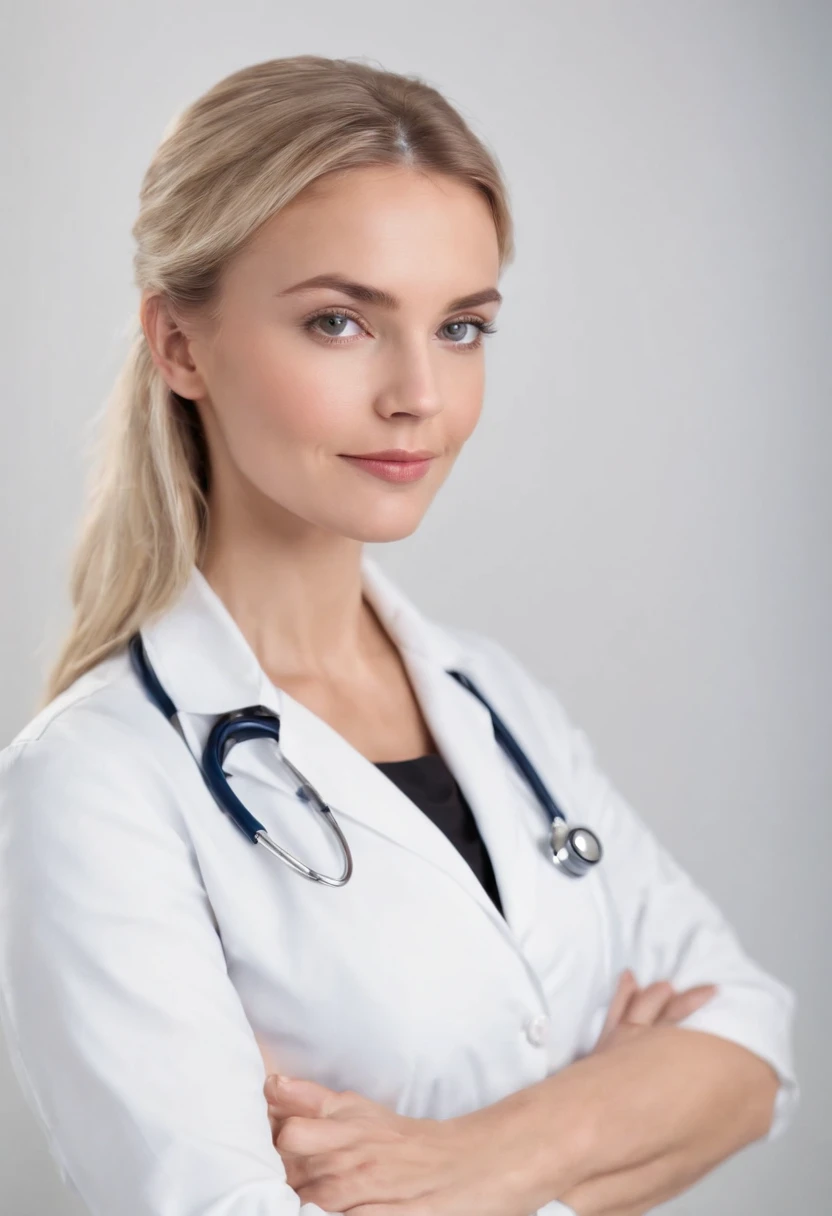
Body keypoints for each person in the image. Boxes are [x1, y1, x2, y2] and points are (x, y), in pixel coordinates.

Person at [0, 55, 797, 1216]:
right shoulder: (95, 779)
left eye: (461, 326)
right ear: (179, 346)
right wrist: (616, 1116)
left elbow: (752, 1044)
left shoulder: (491, 698)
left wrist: (485, 1162)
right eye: (340, 321)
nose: (418, 393)